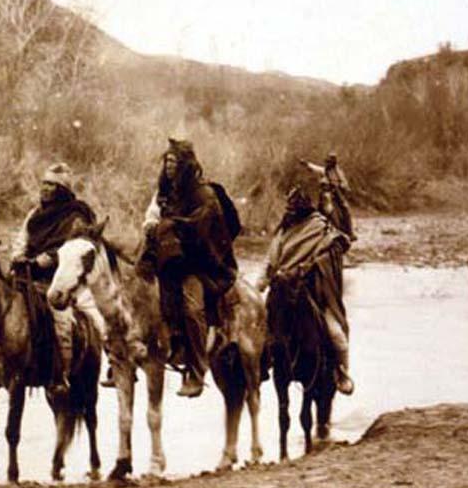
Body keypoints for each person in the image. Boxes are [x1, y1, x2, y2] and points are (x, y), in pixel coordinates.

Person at [0, 162, 105, 394]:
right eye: (44, 183)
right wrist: (19, 256)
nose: (45, 189)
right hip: (26, 275)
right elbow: (22, 238)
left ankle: (58, 374)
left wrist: (49, 258)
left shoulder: (76, 216)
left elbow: (77, 247)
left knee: (58, 320)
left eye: (51, 185)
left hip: (58, 280)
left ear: (62, 190)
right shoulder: (35, 214)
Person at [137, 138, 240, 398]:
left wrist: (169, 226)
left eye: (173, 162)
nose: (168, 166)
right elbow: (153, 213)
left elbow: (201, 228)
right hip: (170, 258)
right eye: (166, 161)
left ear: (184, 165)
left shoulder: (204, 194)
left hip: (199, 261)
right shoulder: (165, 190)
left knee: (193, 307)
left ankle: (196, 371)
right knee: (136, 292)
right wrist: (151, 225)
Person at [256, 186, 354, 395]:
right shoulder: (283, 231)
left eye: (294, 207)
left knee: (337, 336)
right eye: (288, 207)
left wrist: (309, 268)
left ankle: (341, 372)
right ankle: (259, 367)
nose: (290, 211)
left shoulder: (321, 227)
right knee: (260, 329)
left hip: (314, 290)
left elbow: (340, 245)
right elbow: (270, 261)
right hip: (281, 289)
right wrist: (259, 285)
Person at [299, 152, 356, 240]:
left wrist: (340, 186)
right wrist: (306, 164)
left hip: (336, 194)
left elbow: (345, 185)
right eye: (327, 162)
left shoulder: (339, 173)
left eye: (329, 162)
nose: (327, 164)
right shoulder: (324, 170)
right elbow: (315, 168)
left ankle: (350, 231)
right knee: (317, 209)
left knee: (345, 208)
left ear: (333, 163)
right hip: (324, 194)